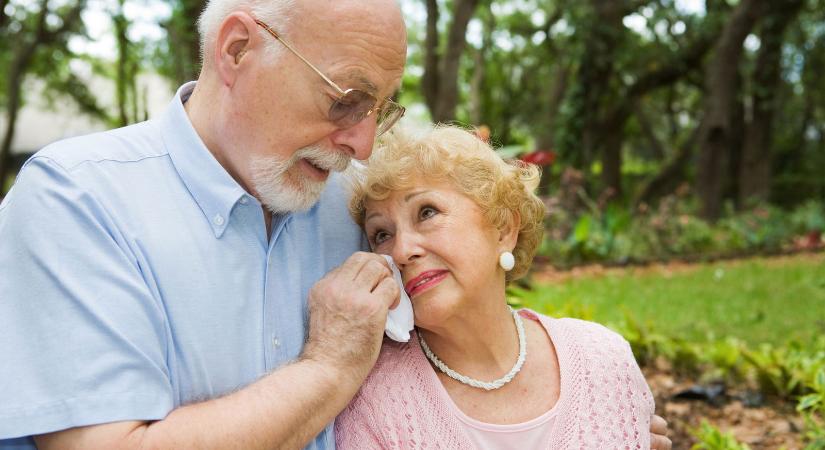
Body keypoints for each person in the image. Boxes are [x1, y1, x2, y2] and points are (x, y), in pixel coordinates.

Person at [0, 0, 407, 448]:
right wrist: (329, 368)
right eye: (346, 101)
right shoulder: (77, 198)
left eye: (380, 111)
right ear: (236, 50)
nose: (364, 146)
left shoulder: (362, 205)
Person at [337, 124, 672, 449]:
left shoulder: (603, 360)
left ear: (504, 229)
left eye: (426, 212)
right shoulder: (374, 399)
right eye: (382, 234)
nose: (401, 251)